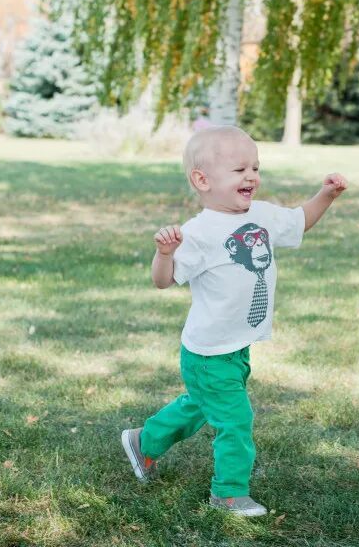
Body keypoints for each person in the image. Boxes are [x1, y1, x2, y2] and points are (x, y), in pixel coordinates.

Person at [121, 125, 347, 517]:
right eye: (240, 169)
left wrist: (326, 195)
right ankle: (228, 494)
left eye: (255, 168)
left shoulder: (261, 214)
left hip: (235, 345)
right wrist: (165, 254)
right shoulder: (199, 233)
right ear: (202, 180)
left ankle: (144, 442)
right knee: (236, 419)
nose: (252, 177)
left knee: (201, 405)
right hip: (208, 352)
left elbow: (299, 221)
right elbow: (162, 281)